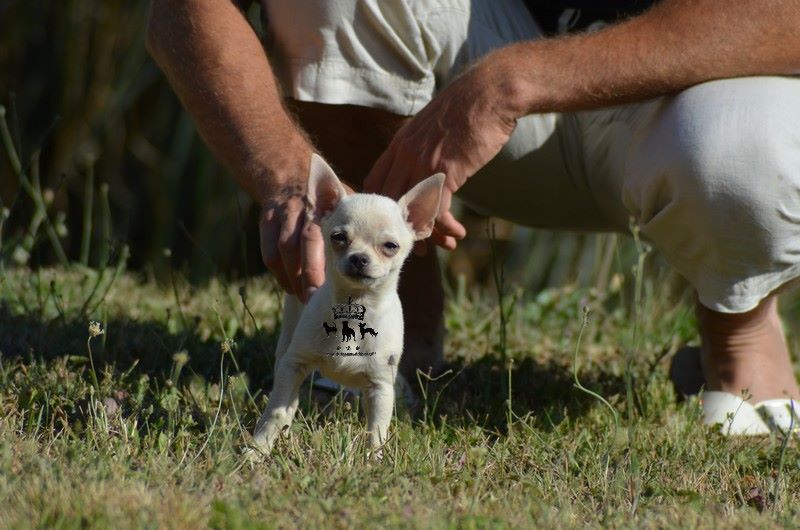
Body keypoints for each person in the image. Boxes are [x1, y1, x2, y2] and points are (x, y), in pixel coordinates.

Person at [146, 0, 800, 430]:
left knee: (743, 153)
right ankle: (392, 333)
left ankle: (740, 333)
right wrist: (286, 176)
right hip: (481, 65)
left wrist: (516, 83)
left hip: (697, 88)